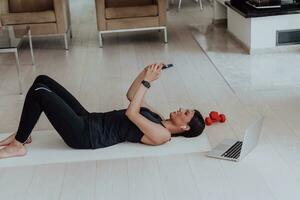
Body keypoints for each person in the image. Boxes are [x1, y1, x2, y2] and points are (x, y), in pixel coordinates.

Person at [0, 63, 205, 159]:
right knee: (42, 80)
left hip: (84, 136)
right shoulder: (157, 118)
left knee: (39, 92)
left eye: (185, 113)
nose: (180, 109)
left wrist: (147, 83)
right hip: (89, 119)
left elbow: (131, 113)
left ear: (185, 127)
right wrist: (145, 72)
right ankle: (23, 135)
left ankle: (18, 145)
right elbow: (132, 97)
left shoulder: (163, 135)